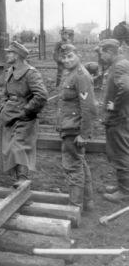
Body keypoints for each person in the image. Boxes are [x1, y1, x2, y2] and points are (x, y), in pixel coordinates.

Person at [0, 41, 48, 187]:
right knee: (9, 146)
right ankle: (17, 177)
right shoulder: (10, 71)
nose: (7, 55)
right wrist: (2, 106)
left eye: (10, 53)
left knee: (19, 145)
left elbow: (41, 95)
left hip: (24, 117)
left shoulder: (31, 73)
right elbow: (4, 93)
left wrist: (27, 110)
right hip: (9, 114)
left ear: (17, 55)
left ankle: (22, 178)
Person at [56, 44, 97, 211]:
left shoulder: (81, 76)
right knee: (79, 163)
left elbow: (89, 107)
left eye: (70, 56)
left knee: (72, 166)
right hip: (68, 126)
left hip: (74, 129)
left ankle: (74, 207)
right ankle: (87, 202)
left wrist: (84, 134)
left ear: (78, 55)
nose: (66, 60)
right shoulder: (70, 73)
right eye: (64, 57)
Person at [97, 39, 129, 203]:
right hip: (119, 117)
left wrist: (115, 105)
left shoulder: (120, 65)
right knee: (118, 152)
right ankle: (122, 185)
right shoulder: (119, 64)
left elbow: (126, 88)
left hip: (119, 118)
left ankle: (125, 191)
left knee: (121, 153)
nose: (101, 57)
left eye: (102, 53)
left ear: (109, 51)